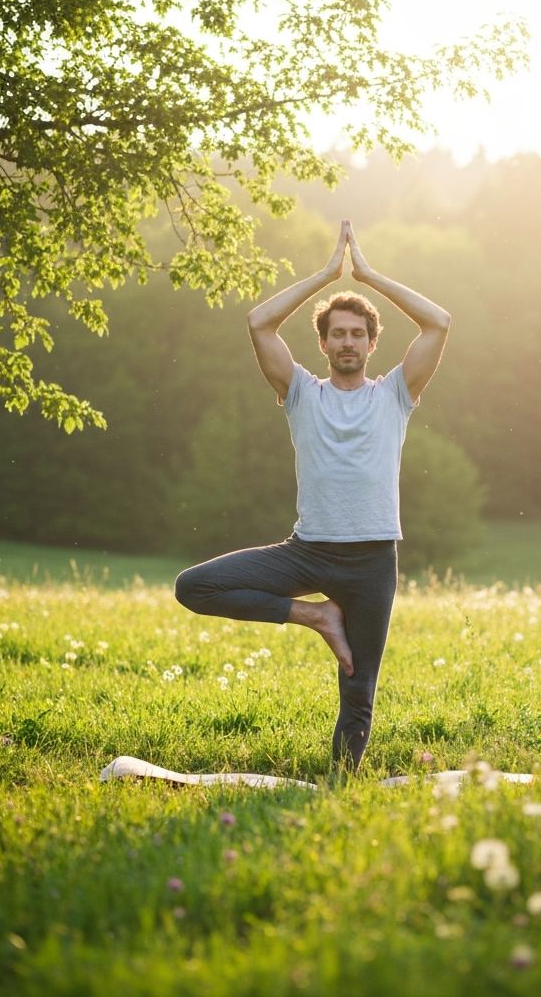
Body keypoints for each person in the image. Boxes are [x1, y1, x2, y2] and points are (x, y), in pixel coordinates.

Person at [174, 220, 450, 770]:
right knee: (194, 586)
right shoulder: (300, 391)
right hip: (308, 552)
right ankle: (316, 617)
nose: (347, 342)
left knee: (359, 689)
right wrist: (326, 275)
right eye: (337, 334)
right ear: (322, 344)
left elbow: (439, 322)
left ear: (372, 344)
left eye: (357, 334)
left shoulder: (396, 394)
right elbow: (258, 322)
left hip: (373, 561)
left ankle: (342, 786)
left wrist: (367, 277)